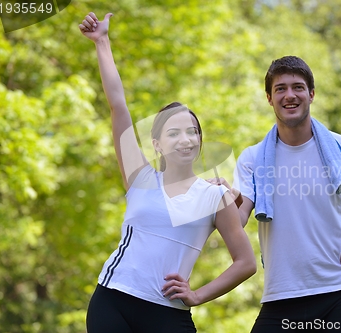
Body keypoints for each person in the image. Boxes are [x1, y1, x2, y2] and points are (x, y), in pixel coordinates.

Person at [79, 12, 256, 333]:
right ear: (157, 144)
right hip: (113, 299)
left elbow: (246, 263)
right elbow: (118, 105)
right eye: (173, 133)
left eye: (192, 131)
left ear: (200, 141)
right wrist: (102, 42)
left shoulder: (215, 196)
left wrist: (198, 294)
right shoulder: (139, 177)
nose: (185, 139)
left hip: (168, 314)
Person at [220, 56, 341, 332]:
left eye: (298, 87)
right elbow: (240, 218)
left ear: (311, 94)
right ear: (269, 98)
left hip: (340, 294)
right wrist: (222, 198)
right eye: (280, 89)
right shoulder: (253, 158)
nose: (289, 95)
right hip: (280, 298)